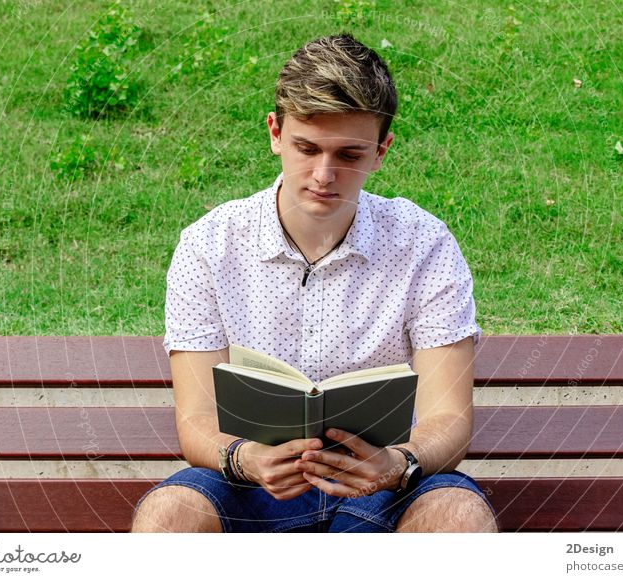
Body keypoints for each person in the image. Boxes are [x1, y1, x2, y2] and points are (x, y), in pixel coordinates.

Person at [131, 34, 497, 533]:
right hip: (252, 487)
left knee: (457, 516)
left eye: (349, 154)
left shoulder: (423, 244)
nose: (324, 175)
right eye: (307, 148)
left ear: (381, 151)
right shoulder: (209, 245)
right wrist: (245, 459)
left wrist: (398, 465)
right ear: (275, 133)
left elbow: (448, 419)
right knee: (168, 515)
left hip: (387, 489)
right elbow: (196, 420)